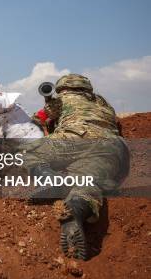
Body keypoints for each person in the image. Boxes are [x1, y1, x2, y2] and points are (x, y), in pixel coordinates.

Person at [26, 74, 129, 260]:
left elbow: (35, 121)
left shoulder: (61, 100)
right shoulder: (103, 103)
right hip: (113, 147)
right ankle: (76, 208)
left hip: (77, 138)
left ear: (63, 88)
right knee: (88, 180)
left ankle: (52, 180)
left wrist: (48, 121)